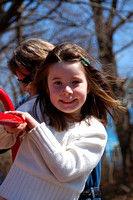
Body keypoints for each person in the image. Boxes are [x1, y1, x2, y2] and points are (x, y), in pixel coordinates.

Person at [0, 42, 124, 200]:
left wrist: (36, 128)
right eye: (57, 82)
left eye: (75, 82)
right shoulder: (34, 105)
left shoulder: (93, 128)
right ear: (47, 83)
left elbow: (65, 170)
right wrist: (9, 130)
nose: (67, 90)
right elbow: (3, 140)